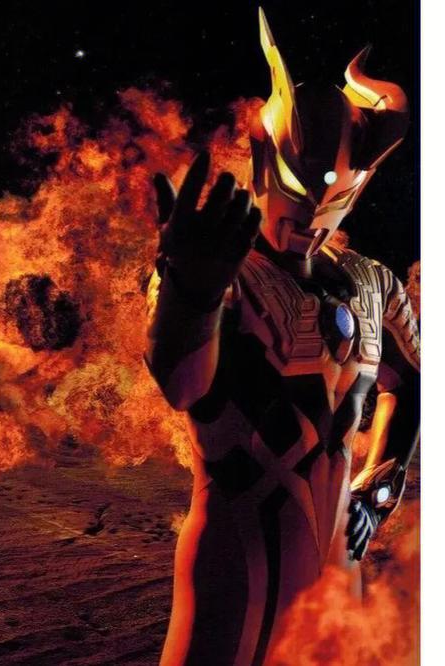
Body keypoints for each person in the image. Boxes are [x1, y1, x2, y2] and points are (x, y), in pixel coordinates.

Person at [145, 9, 420, 666]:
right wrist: (191, 293)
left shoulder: (372, 282)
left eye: (334, 198)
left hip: (338, 569)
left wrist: (378, 489)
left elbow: (413, 383)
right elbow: (181, 385)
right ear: (266, 165)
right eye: (299, 195)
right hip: (239, 567)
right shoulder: (229, 274)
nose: (312, 219)